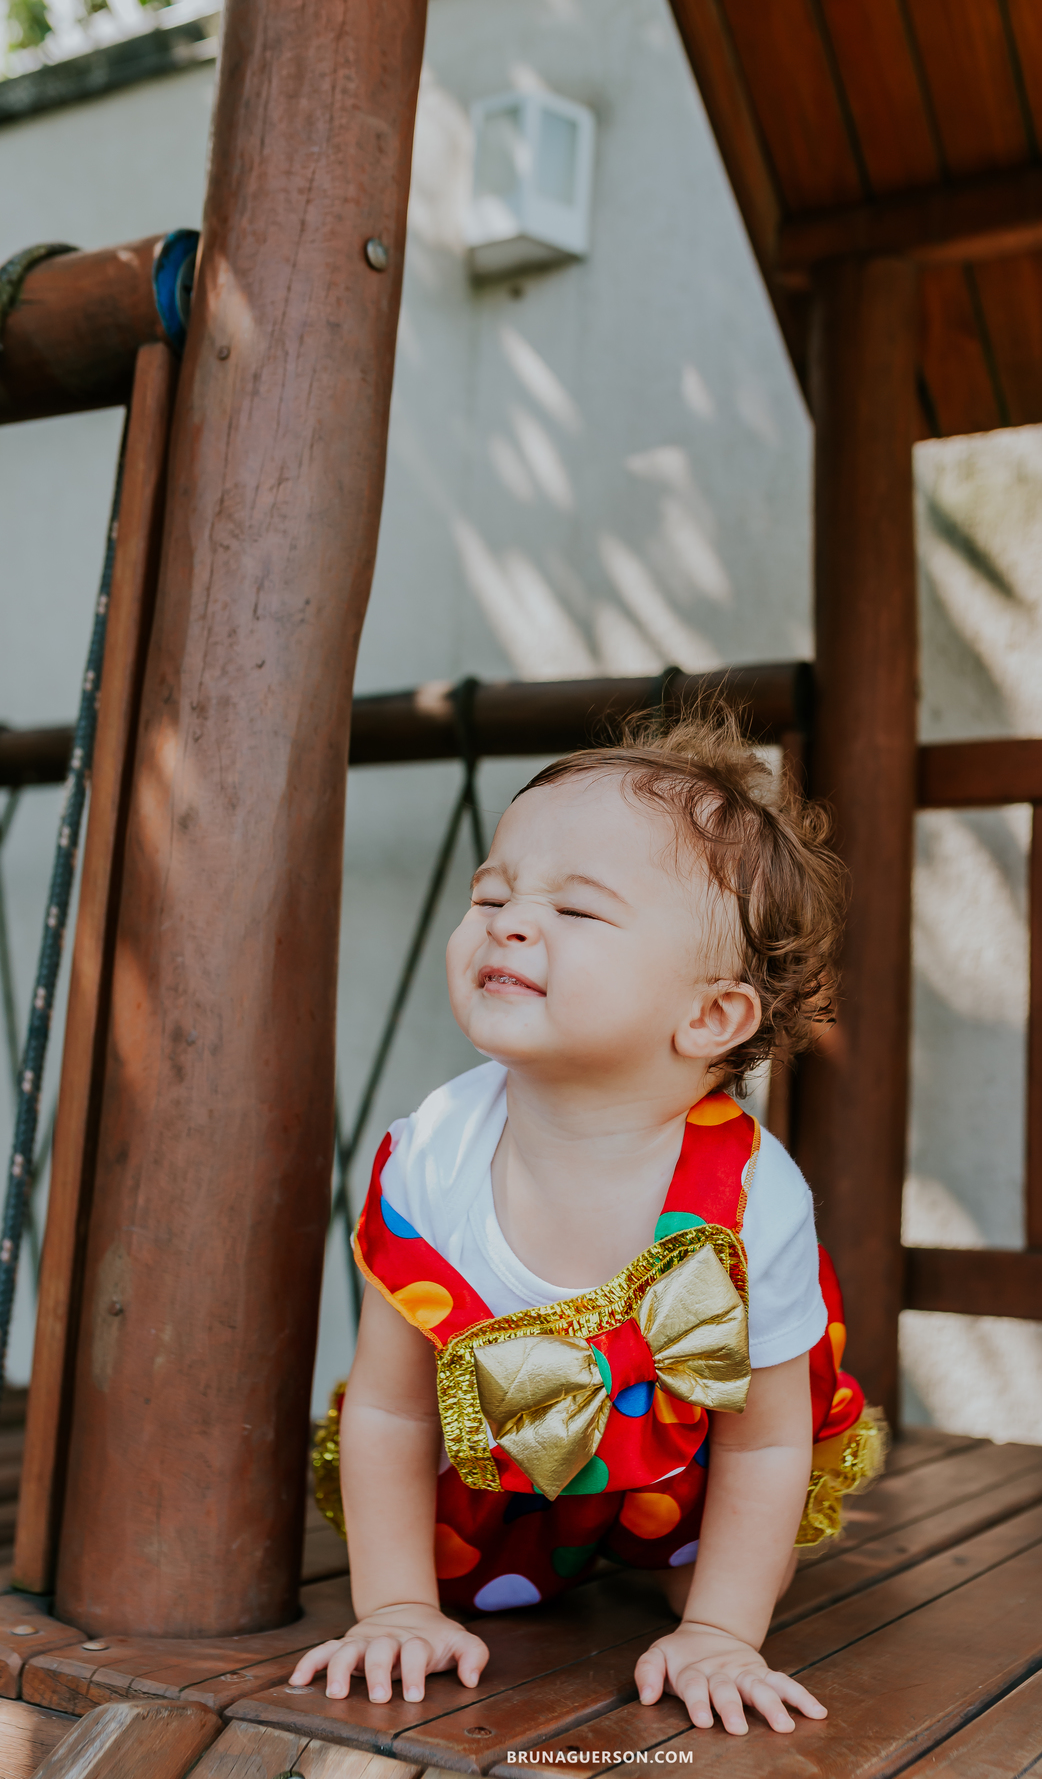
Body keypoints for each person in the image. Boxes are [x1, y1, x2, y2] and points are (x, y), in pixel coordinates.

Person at [292, 706, 882, 1735]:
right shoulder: (433, 1152)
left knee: (728, 1570)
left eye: (577, 911)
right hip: (500, 1474)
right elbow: (389, 1411)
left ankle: (685, 1584)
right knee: (453, 1583)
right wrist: (392, 1608)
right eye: (493, 891)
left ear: (710, 1016)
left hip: (693, 1470)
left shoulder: (750, 1199)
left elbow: (763, 1446)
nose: (508, 920)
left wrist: (725, 1634)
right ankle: (510, 1567)